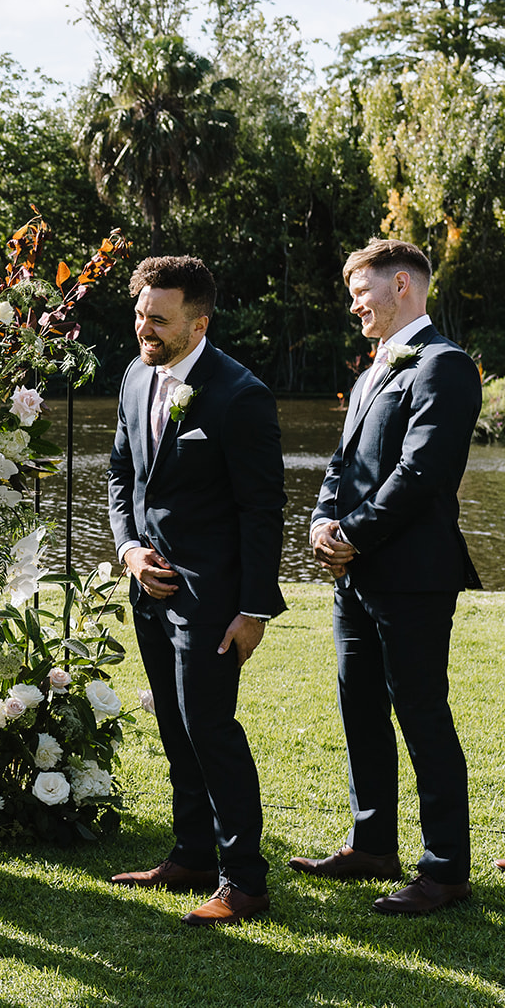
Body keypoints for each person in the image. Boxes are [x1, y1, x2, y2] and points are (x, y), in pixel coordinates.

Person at [294, 239, 480, 915]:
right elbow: (342, 464)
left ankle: (445, 870)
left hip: (414, 576)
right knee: (359, 706)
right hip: (356, 576)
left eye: (360, 291)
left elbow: (422, 472)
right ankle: (372, 842)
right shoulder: (375, 366)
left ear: (402, 284)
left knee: (422, 713)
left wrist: (352, 533)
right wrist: (322, 521)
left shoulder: (446, 366)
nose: (353, 305)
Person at [105, 256, 286, 927]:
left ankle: (244, 880)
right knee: (176, 728)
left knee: (211, 729)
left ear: (198, 322)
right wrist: (128, 550)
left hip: (212, 597)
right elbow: (121, 475)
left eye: (159, 318)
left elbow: (263, 510)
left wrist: (254, 607)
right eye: (140, 314)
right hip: (148, 587)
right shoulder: (131, 376)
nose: (144, 328)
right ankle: (190, 852)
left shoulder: (240, 395)